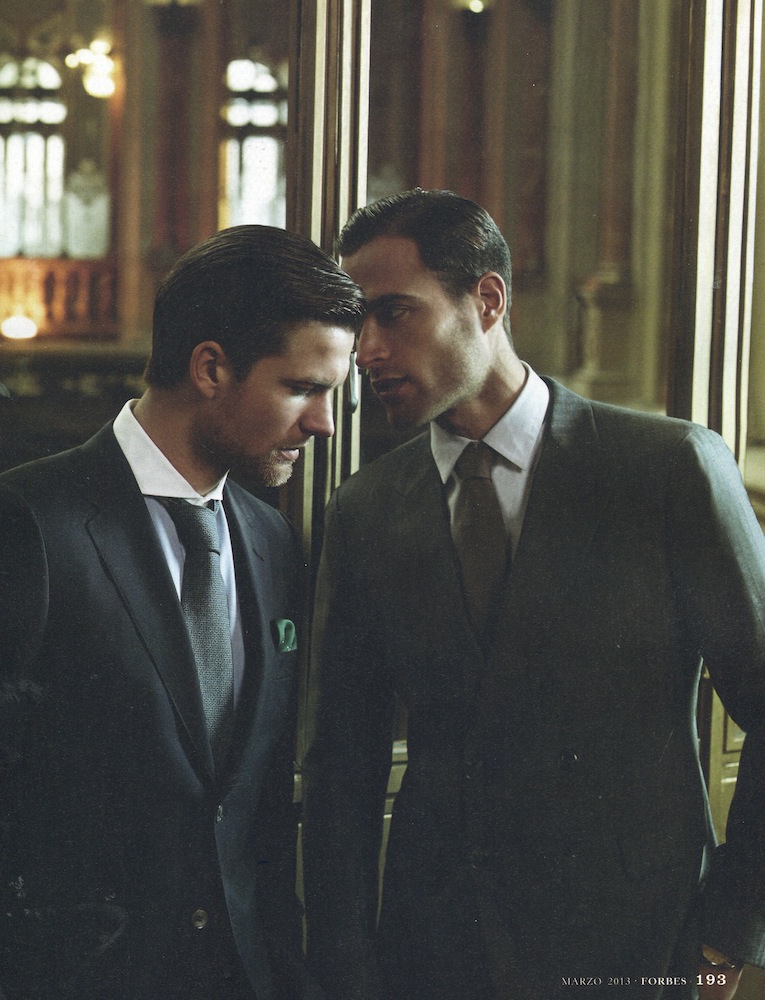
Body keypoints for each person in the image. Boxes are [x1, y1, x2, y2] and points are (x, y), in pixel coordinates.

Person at [301, 189, 765, 1000]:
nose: (365, 351)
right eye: (355, 324)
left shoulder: (666, 469)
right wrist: (345, 974)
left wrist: (726, 938)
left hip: (638, 949)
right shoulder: (365, 511)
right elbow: (343, 766)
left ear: (487, 300)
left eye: (393, 314)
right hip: (432, 958)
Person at [0, 225, 364, 1000]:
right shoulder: (27, 523)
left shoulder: (272, 541)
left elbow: (255, 815)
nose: (323, 423)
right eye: (302, 388)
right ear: (210, 368)